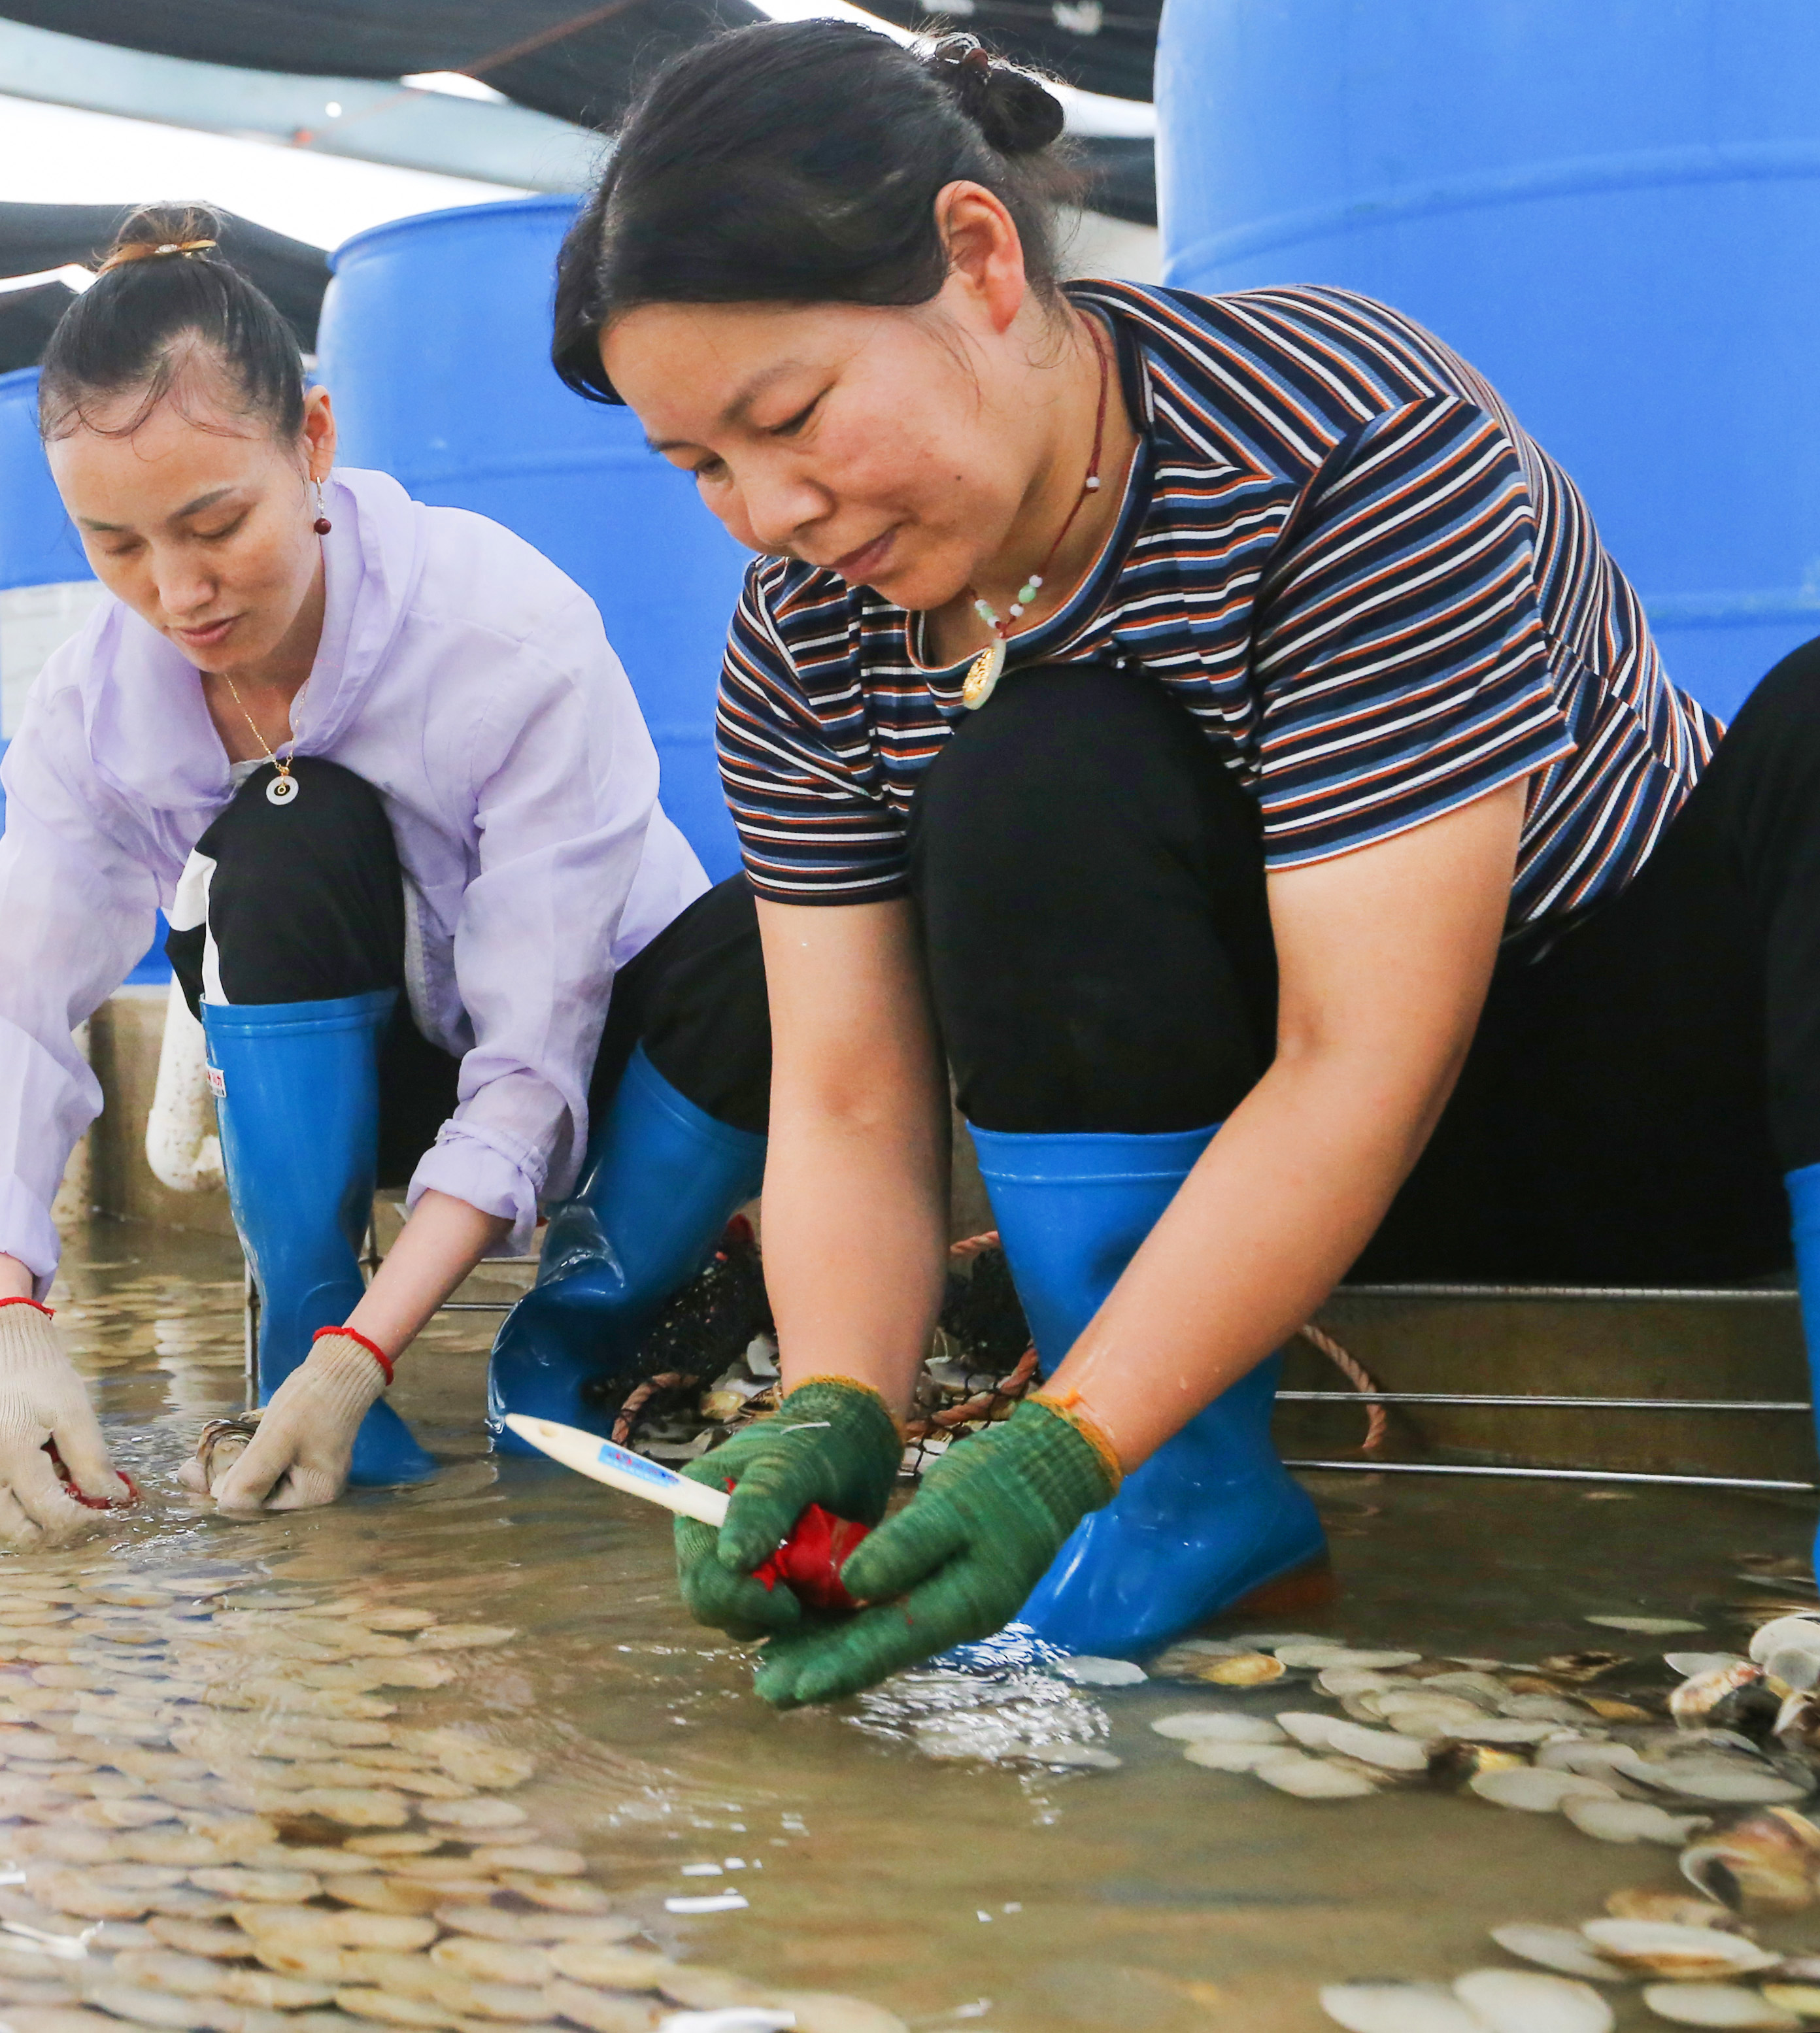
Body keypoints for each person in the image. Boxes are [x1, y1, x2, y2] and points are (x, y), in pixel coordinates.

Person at [551, 18, 1820, 1702]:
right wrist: (833, 1401)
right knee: (1032, 763)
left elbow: (1362, 1049)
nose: (767, 510)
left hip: (1621, 1084)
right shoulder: (805, 641)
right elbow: (848, 1094)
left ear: (976, 257)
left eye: (789, 417)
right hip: (1242, 1208)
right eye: (701, 465)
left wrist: (1043, 1448)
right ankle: (1180, 1498)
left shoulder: (1344, 444)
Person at [0, 203, 772, 1545]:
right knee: (286, 824)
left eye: (215, 523)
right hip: (355, 1065)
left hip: (603, 1058)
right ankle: (300, 1346)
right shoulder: (92, 709)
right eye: (117, 546)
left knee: (780, 934)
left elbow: (531, 1059)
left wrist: (372, 1354)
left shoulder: (503, 634)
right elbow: (17, 1004)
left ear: (312, 443)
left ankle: (570, 1340)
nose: (178, 590)